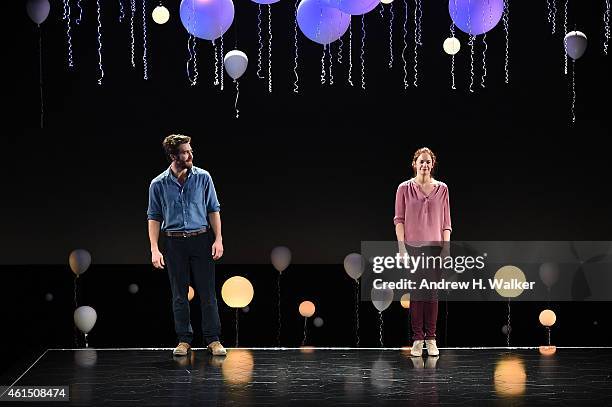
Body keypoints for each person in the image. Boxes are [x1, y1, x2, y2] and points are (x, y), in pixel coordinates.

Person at [147, 134, 227, 356]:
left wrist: (218, 239)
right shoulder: (158, 183)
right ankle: (184, 339)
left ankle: (213, 339)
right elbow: (153, 216)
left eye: (190, 150)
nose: (190, 155)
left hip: (201, 239)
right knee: (179, 294)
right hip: (173, 242)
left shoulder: (203, 177)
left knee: (207, 292)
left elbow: (213, 208)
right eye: (185, 152)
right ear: (173, 155)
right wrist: (155, 248)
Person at [394, 147, 452, 357]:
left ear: (432, 164)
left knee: (432, 295)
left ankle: (432, 338)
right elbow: (399, 220)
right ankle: (418, 339)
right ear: (415, 164)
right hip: (413, 248)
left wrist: (446, 247)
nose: (425, 165)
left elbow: (447, 222)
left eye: (428, 162)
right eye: (421, 161)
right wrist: (401, 248)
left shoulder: (442, 189)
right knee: (417, 295)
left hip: (435, 248)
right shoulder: (404, 188)